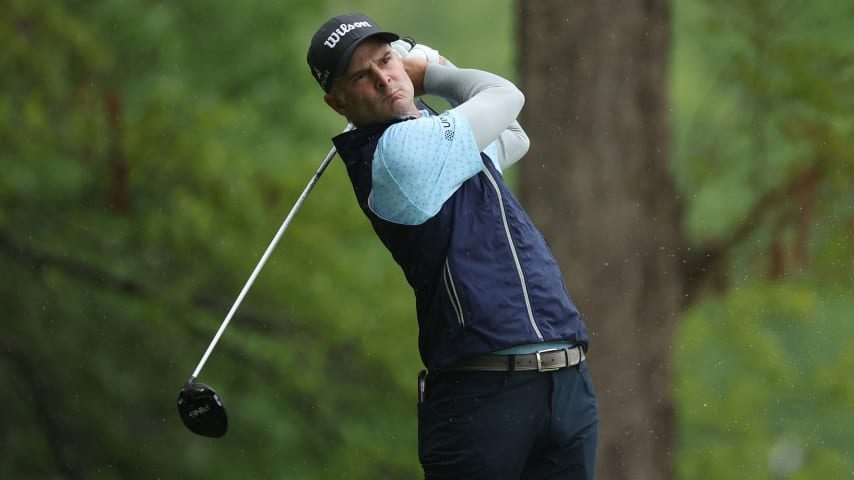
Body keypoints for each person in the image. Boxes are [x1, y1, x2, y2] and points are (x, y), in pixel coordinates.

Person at [307, 13, 598, 479]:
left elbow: (512, 134)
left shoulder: (442, 143)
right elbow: (507, 97)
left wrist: (428, 74)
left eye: (386, 61)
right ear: (336, 102)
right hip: (483, 396)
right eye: (362, 76)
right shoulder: (398, 155)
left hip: (563, 385)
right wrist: (432, 73)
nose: (384, 79)